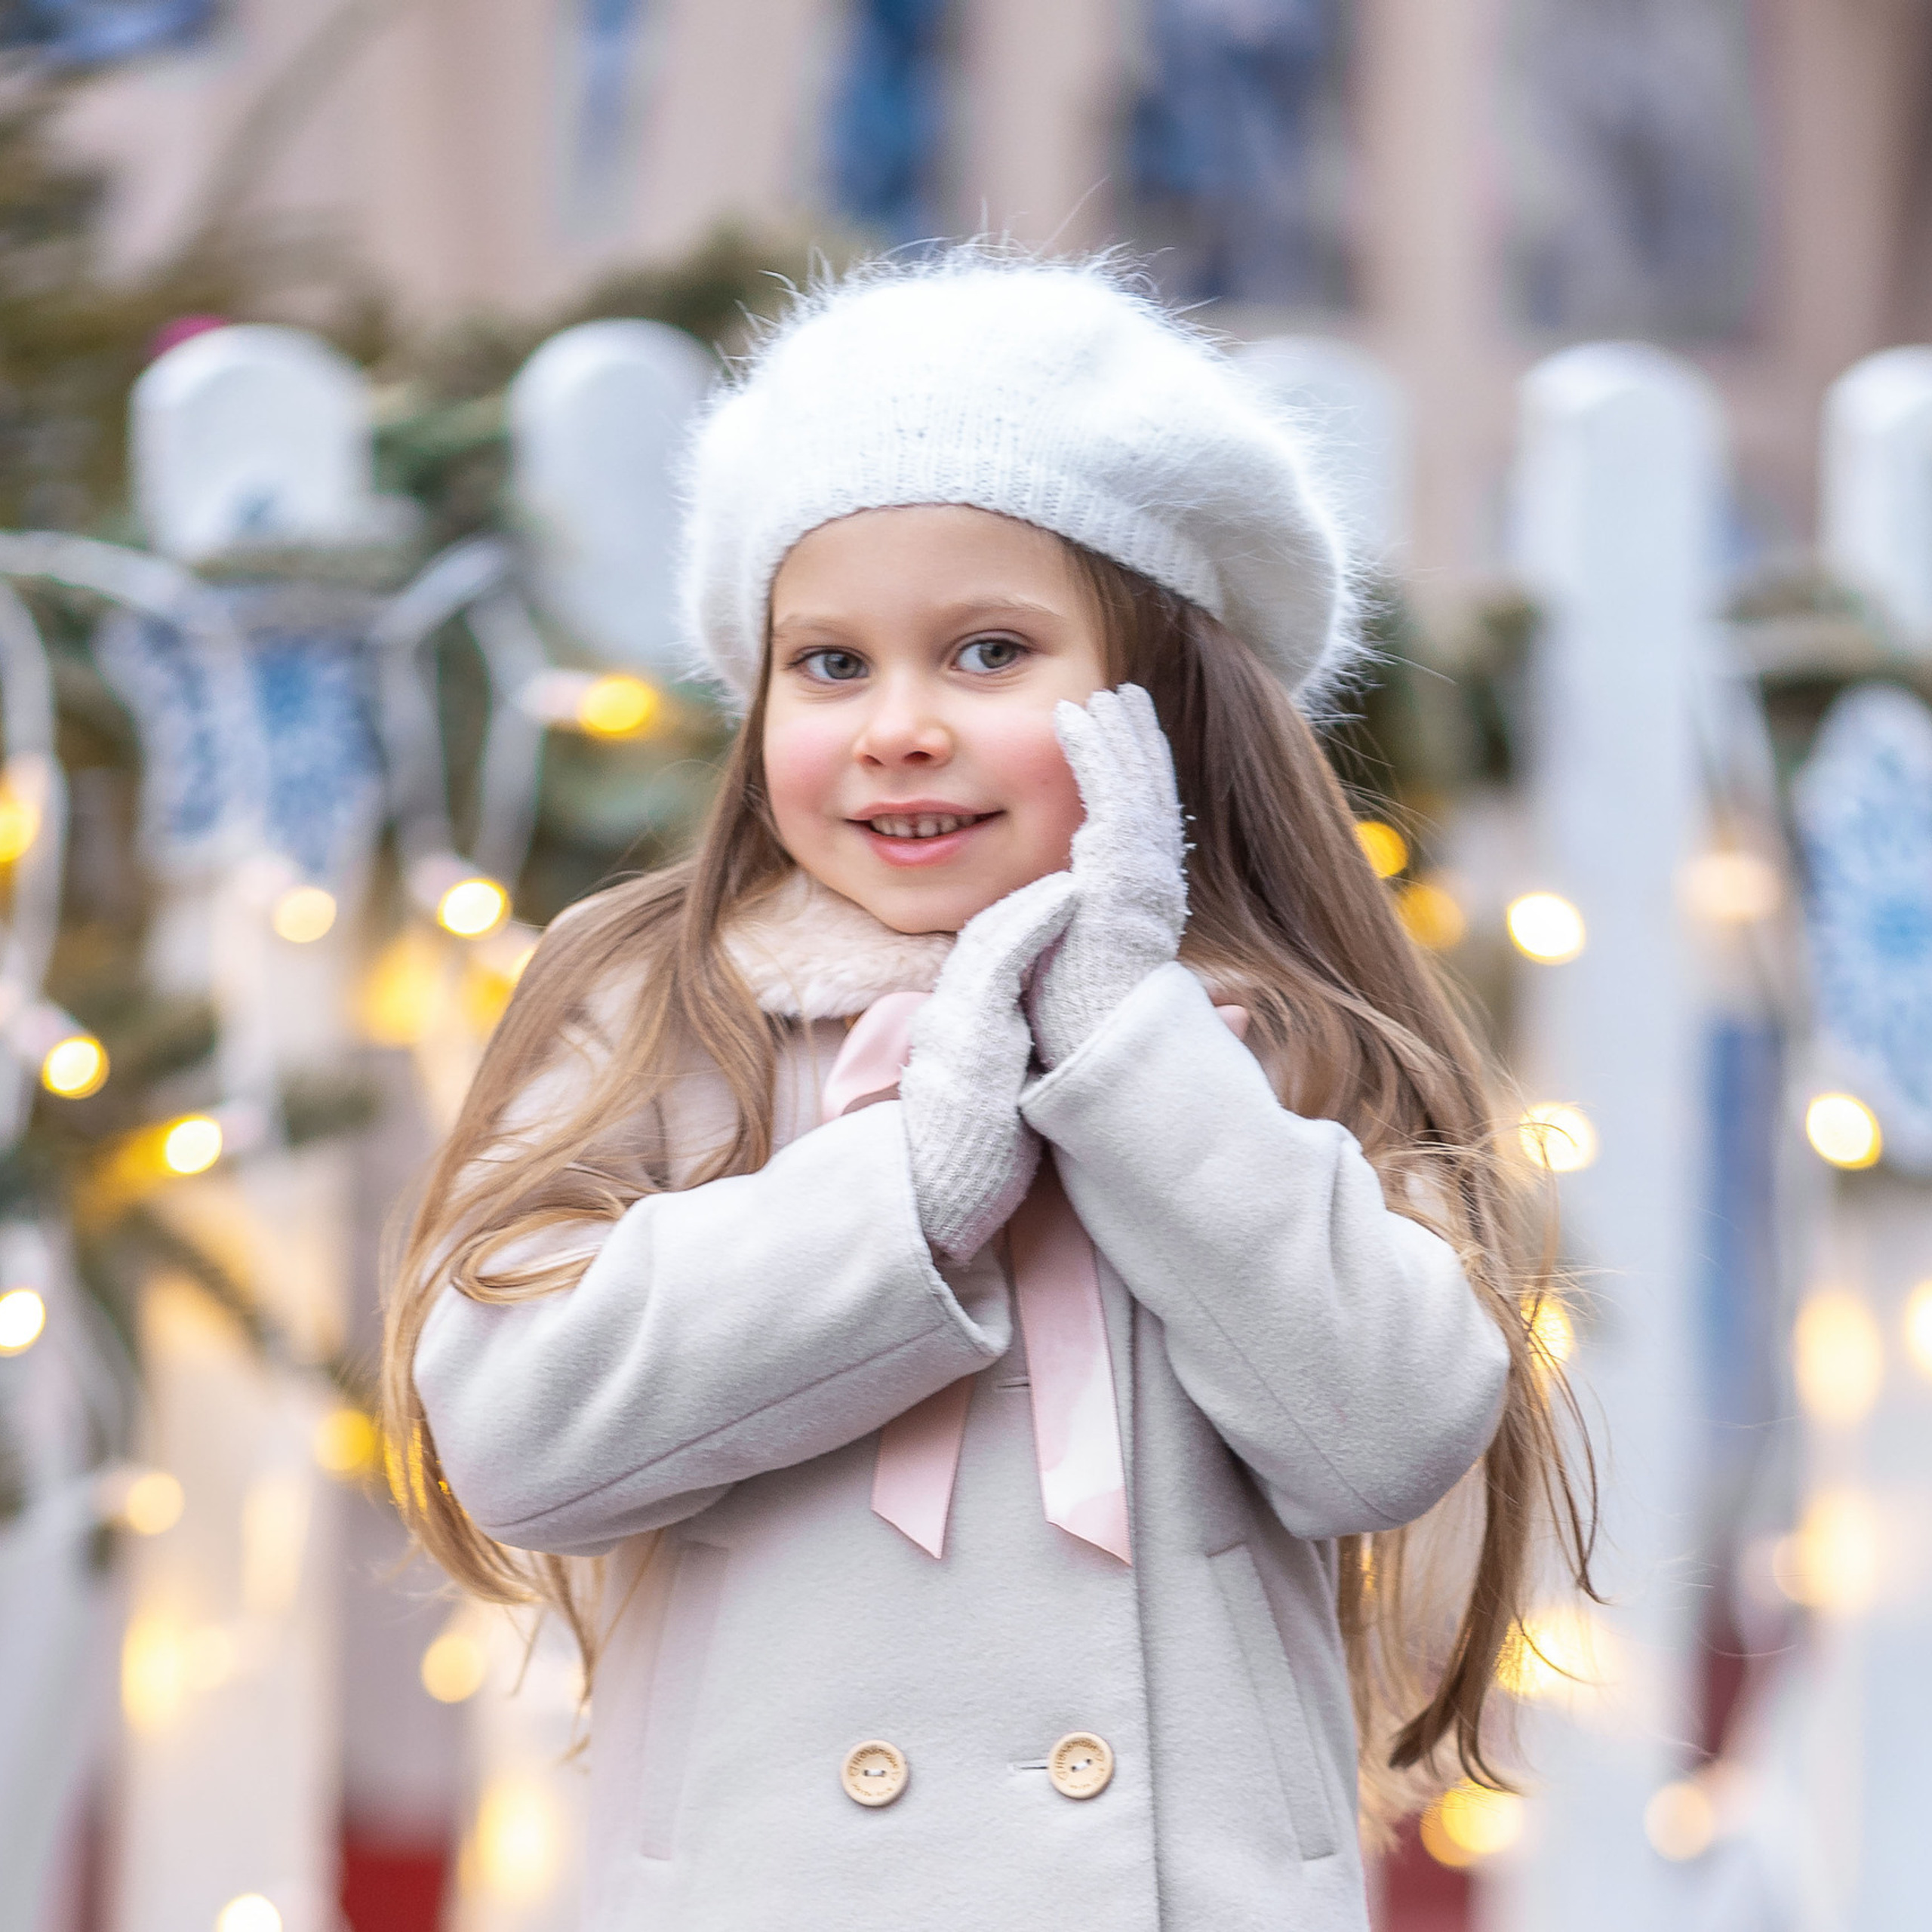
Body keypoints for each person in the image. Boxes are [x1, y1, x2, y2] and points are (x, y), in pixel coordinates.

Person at [382, 249, 1592, 1931]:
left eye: (984, 650)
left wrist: (1125, 1049)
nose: (895, 726)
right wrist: (899, 1197)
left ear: (1160, 698)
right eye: (828, 664)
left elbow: (1383, 1427)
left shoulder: (1264, 1043)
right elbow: (511, 1430)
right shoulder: (674, 1014)